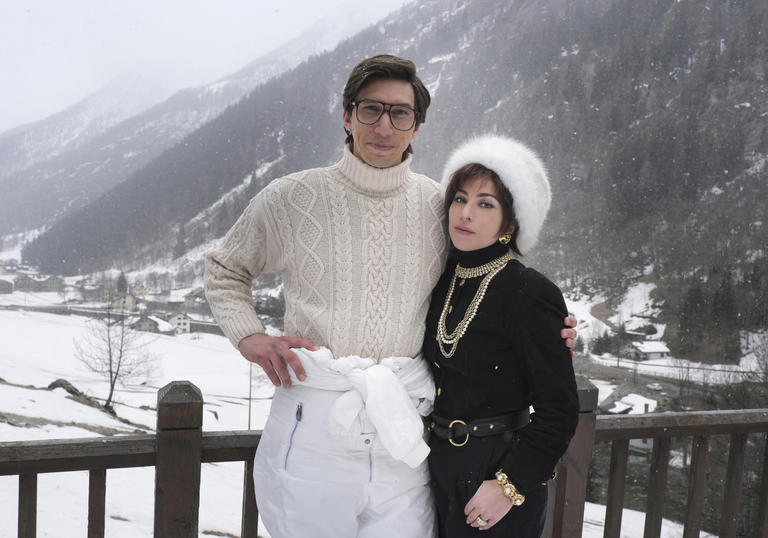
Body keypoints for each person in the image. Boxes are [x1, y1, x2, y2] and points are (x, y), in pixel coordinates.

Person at [204, 55, 577, 538]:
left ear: (416, 127)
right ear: (346, 116)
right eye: (370, 109)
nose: (384, 125)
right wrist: (248, 336)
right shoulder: (291, 197)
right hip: (317, 415)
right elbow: (225, 267)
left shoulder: (436, 206)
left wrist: (555, 329)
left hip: (404, 427)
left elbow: (486, 280)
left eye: (400, 113)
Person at [423, 135, 580, 537]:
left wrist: (509, 485)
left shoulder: (529, 292)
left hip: (497, 471)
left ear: (510, 223)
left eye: (485, 203)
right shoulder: (440, 280)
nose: (466, 213)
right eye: (460, 198)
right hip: (436, 467)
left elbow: (559, 409)